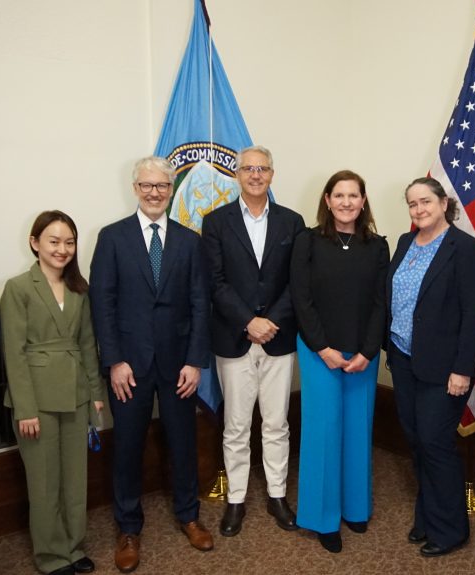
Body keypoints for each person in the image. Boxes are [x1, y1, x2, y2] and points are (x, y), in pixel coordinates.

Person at [89, 156, 213, 573]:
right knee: (126, 447)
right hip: (129, 366)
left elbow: (200, 303)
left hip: (179, 364)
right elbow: (102, 303)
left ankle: (189, 516)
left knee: (183, 442)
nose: (155, 192)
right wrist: (115, 360)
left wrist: (196, 361)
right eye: (148, 185)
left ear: (172, 187)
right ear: (135, 187)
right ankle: (128, 528)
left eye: (162, 185)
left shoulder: (190, 241)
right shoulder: (112, 238)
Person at [201, 145, 305, 537]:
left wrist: (269, 321)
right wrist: (248, 321)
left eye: (262, 169)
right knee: (236, 425)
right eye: (248, 169)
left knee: (277, 423)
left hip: (278, 337)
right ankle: (236, 500)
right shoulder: (216, 222)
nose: (256, 175)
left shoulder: (292, 222)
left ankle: (277, 495)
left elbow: (298, 281)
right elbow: (215, 282)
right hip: (234, 337)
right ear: (237, 174)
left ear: (272, 175)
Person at [386, 177, 475, 557]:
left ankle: (450, 530)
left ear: (444, 202)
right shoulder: (404, 243)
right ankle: (428, 516)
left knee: (435, 443)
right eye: (412, 204)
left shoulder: (464, 247)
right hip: (403, 358)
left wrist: (463, 369)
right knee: (416, 441)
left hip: (444, 368)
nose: (419, 210)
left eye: (425, 202)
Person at [0, 211, 106, 575]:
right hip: (37, 401)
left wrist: (95, 394)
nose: (62, 249)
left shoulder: (79, 287)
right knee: (44, 482)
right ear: (35, 243)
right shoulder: (18, 287)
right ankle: (51, 556)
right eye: (54, 241)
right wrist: (25, 409)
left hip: (75, 392)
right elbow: (12, 353)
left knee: (75, 479)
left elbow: (88, 344)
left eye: (69, 242)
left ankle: (74, 549)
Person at [290, 170, 388, 553]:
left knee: (358, 428)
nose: (346, 202)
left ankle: (355, 508)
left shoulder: (378, 246)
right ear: (327, 200)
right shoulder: (308, 241)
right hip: (319, 352)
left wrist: (367, 350)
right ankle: (323, 517)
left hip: (364, 351)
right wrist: (323, 348)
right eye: (339, 195)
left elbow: (382, 302)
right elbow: (301, 299)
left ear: (363, 201)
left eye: (354, 195)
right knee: (323, 431)